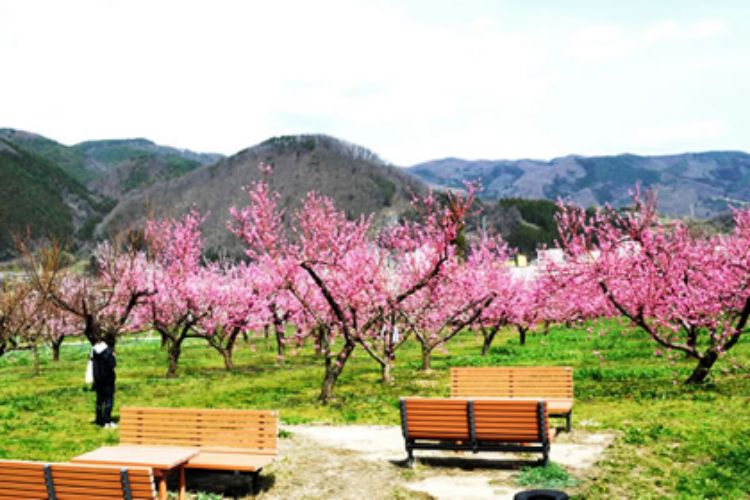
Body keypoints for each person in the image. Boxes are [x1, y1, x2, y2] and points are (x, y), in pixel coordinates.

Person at [86, 338, 117, 428]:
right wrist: (114, 356)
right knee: (109, 400)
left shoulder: (93, 351)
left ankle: (99, 420)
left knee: (99, 401)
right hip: (108, 379)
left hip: (98, 379)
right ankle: (107, 420)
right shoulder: (108, 351)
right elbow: (113, 364)